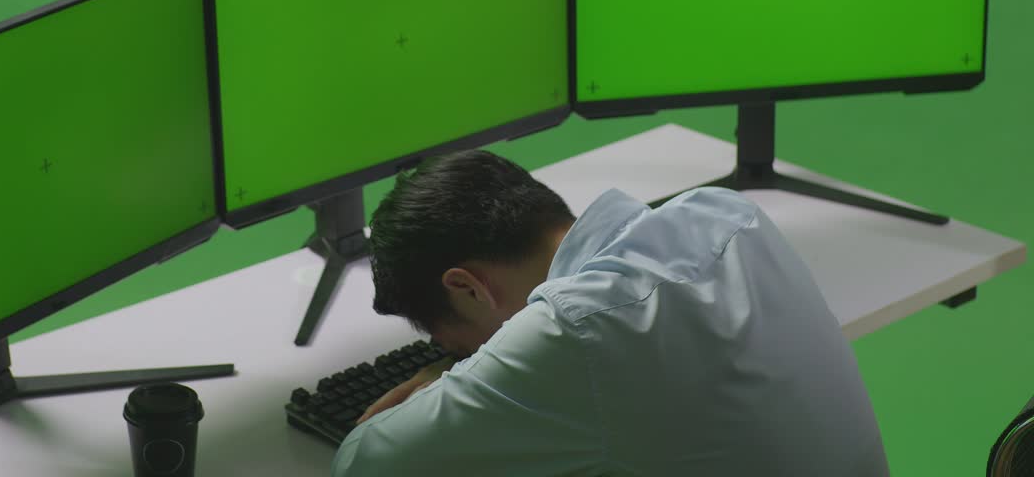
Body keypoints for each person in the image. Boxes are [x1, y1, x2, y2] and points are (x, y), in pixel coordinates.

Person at [331, 150, 889, 477]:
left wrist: (450, 379)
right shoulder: (727, 214)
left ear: (467, 287)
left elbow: (363, 464)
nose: (471, 358)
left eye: (461, 346)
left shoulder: (574, 330)